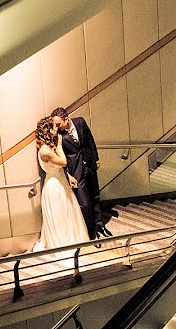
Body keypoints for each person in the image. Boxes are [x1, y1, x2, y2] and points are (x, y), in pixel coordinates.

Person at [51, 107, 111, 238]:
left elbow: (90, 140)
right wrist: (68, 174)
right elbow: (60, 156)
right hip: (76, 171)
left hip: (89, 165)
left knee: (95, 197)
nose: (56, 126)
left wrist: (96, 158)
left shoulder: (80, 122)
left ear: (66, 119)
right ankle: (91, 231)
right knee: (84, 203)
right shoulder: (58, 135)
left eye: (58, 124)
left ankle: (100, 224)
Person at [33, 117, 90, 251]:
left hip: (60, 182)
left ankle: (72, 240)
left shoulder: (48, 146)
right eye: (54, 127)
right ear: (48, 131)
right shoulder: (45, 150)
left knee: (67, 214)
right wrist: (59, 146)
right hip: (54, 186)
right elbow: (63, 162)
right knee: (59, 215)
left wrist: (68, 175)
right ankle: (62, 244)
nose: (57, 129)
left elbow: (58, 166)